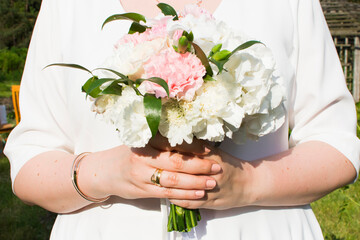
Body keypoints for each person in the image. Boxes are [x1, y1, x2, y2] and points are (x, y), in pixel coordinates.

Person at [4, 0, 360, 239]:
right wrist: (107, 173)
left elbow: (338, 144)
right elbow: (31, 159)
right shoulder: (67, 7)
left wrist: (249, 183)